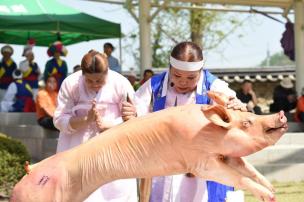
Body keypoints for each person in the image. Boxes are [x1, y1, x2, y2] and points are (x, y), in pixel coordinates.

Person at [122, 41, 247, 202]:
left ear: (200, 72)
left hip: (201, 160)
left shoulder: (214, 86)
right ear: (170, 69)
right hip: (164, 158)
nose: (183, 82)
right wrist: (131, 114)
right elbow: (136, 112)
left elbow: (236, 112)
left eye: (191, 77)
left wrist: (237, 108)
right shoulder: (155, 85)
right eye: (177, 75)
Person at [54, 50, 137, 202]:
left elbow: (135, 120)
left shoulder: (120, 83)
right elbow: (59, 120)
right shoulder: (71, 83)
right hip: (77, 148)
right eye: (89, 81)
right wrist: (86, 119)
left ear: (107, 72)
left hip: (113, 150)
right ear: (82, 74)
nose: (95, 85)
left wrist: (110, 125)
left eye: (99, 80)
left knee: (115, 193)